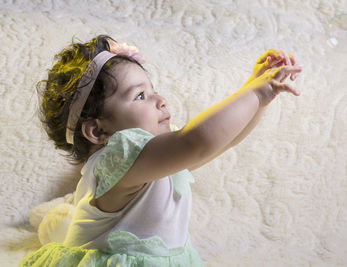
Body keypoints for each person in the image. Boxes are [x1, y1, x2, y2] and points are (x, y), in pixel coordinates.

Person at [18, 35, 302, 266]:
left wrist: (259, 93)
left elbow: (224, 140)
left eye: (153, 89)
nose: (161, 100)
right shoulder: (115, 160)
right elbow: (198, 142)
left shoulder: (152, 157)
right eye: (140, 95)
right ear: (98, 131)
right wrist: (254, 92)